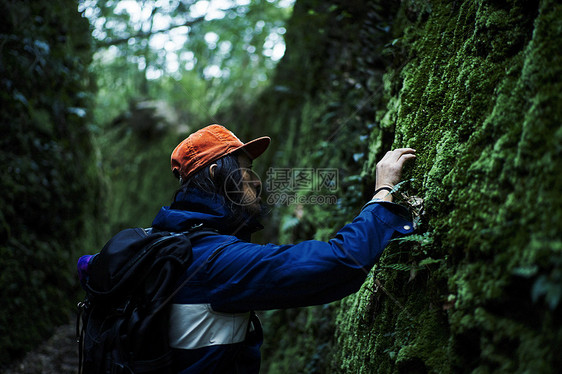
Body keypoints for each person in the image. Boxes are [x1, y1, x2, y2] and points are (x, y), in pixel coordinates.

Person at [79, 124, 416, 373]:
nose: (256, 180)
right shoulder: (213, 261)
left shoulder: (163, 243)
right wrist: (383, 192)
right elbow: (338, 263)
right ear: (216, 174)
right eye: (246, 168)